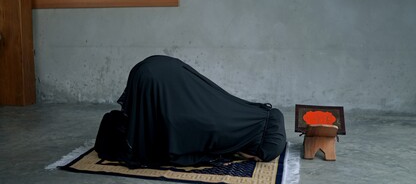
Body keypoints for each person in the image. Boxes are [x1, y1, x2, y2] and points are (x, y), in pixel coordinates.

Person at [95, 55, 286, 167]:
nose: (251, 159)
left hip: (158, 67)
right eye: (255, 157)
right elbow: (173, 153)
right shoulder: (218, 131)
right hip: (153, 77)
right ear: (252, 146)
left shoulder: (242, 113)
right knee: (144, 143)